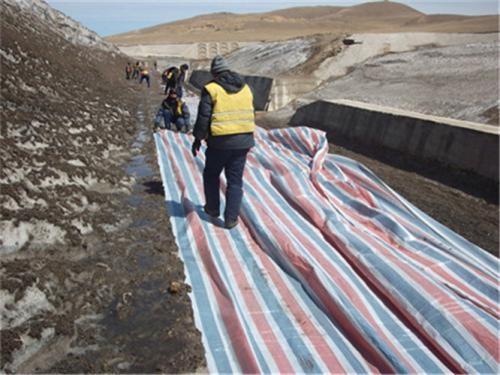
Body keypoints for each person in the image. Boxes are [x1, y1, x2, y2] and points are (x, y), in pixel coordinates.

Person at [191, 55, 255, 229]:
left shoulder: (211, 89)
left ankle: (212, 209)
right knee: (235, 181)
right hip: (243, 141)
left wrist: (198, 138)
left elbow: (204, 118)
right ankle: (231, 219)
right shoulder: (246, 88)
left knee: (211, 175)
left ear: (214, 72)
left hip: (220, 142)